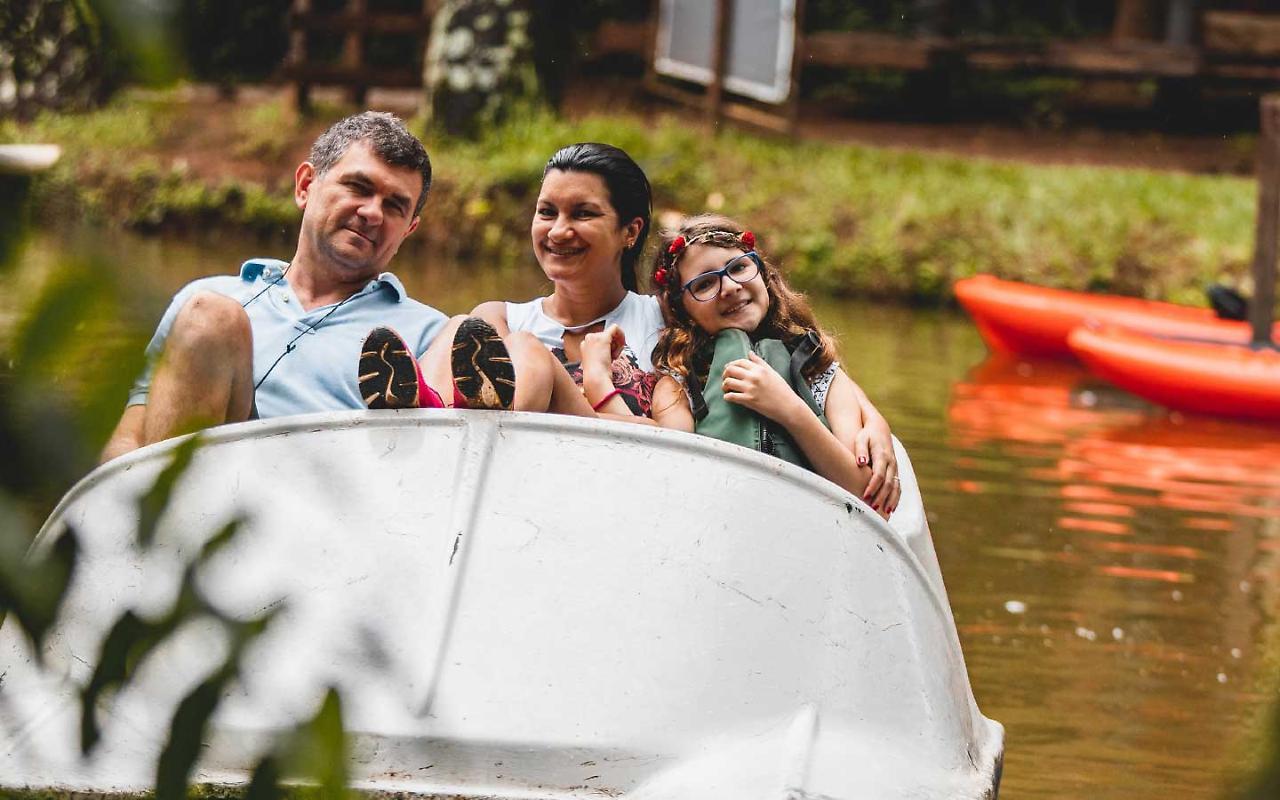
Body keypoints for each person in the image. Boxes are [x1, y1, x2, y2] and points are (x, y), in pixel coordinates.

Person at [101, 111, 448, 462]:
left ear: (408, 229)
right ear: (305, 186)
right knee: (210, 317)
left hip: (332, 504)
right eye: (359, 187)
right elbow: (130, 440)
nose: (373, 213)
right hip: (210, 498)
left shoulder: (430, 333)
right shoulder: (206, 301)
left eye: (394, 206)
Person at [639, 214, 903, 515]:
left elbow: (871, 504)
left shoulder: (817, 371)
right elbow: (676, 485)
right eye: (704, 284)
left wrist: (788, 408)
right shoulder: (677, 386)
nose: (729, 287)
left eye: (738, 267)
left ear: (762, 274)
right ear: (681, 309)